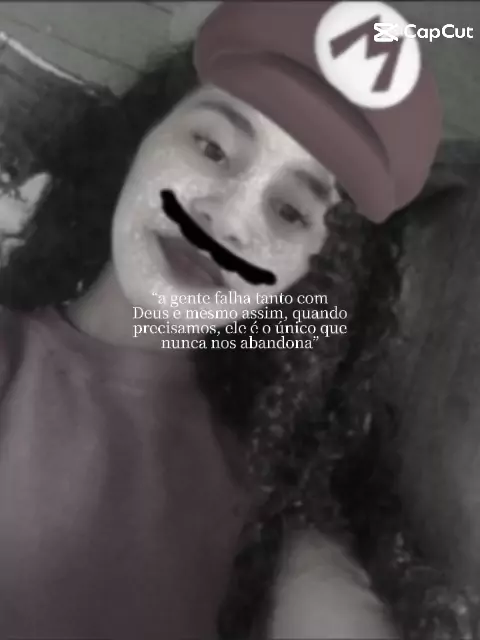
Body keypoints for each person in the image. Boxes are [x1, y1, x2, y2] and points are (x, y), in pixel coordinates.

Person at [0, 2, 442, 638]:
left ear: (309, 275)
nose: (229, 219)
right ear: (143, 136)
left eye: (290, 211)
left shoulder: (273, 522)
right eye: (211, 146)